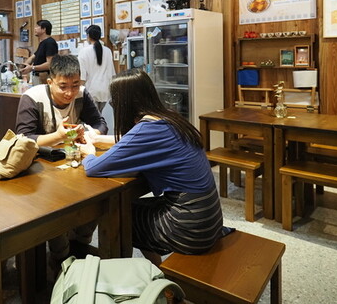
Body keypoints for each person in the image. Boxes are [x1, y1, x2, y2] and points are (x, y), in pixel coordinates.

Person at [80, 69, 231, 265]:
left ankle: (126, 273)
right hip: (208, 218)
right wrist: (99, 139)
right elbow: (133, 141)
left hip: (190, 227)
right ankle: (155, 268)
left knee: (118, 216)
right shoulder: (167, 118)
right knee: (132, 209)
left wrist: (89, 152)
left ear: (124, 103)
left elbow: (94, 168)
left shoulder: (147, 130)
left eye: (114, 101)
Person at [15, 54, 108, 271]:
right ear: (50, 82)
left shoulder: (82, 94)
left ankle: (80, 244)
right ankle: (60, 257)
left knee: (97, 199)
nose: (70, 93)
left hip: (73, 164)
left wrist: (91, 133)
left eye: (75, 85)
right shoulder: (32, 97)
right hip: (39, 171)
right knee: (54, 212)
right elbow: (23, 138)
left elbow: (99, 122)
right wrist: (58, 136)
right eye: (63, 86)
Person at [78, 25, 115, 112]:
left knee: (92, 117)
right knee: (100, 116)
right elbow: (112, 73)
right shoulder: (108, 51)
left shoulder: (83, 52)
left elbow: (82, 77)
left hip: (91, 91)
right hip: (106, 91)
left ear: (88, 36)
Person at [20, 20, 58, 85]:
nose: (35, 28)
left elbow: (50, 64)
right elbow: (33, 57)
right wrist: (24, 65)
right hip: (37, 76)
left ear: (44, 29)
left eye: (37, 26)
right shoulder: (42, 42)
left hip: (44, 78)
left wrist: (32, 68)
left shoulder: (50, 42)